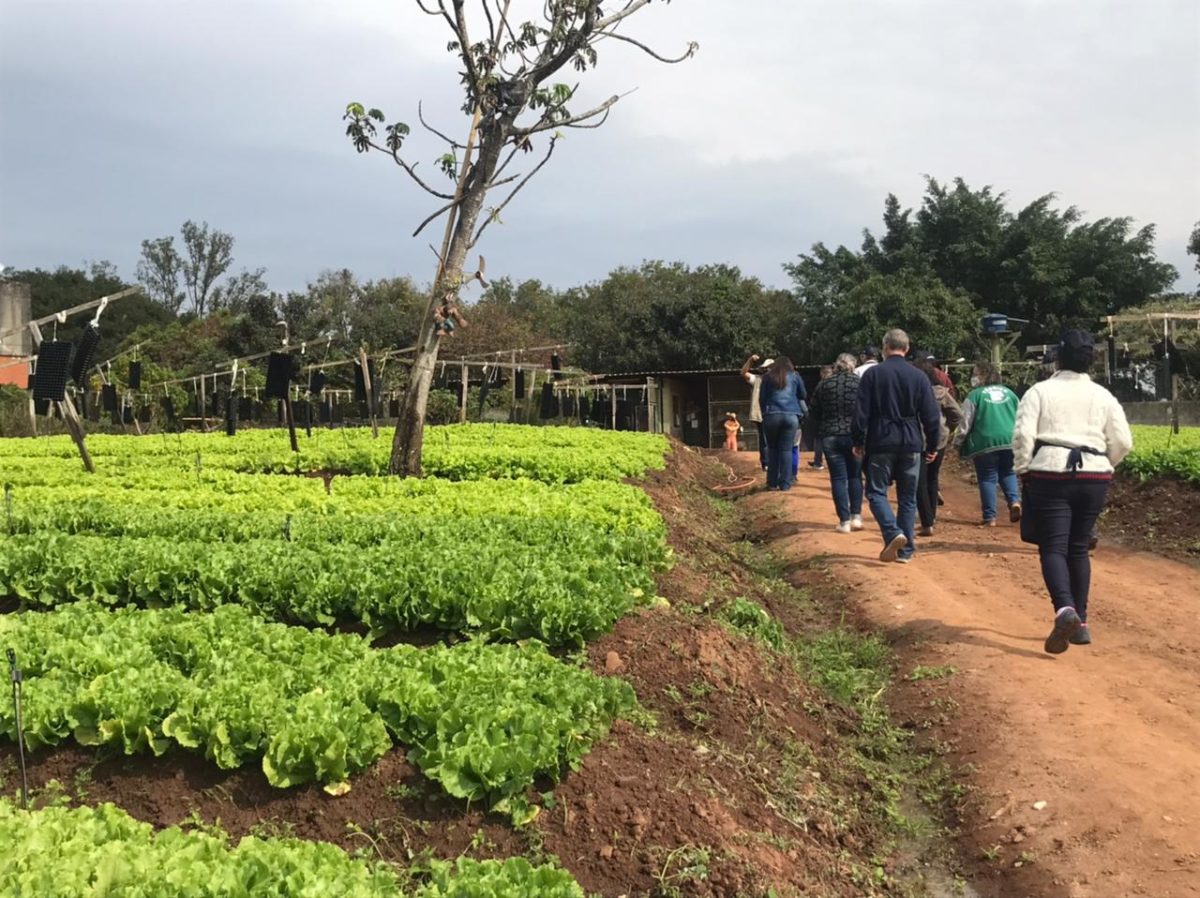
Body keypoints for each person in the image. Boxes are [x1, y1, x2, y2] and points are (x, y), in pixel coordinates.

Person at [1013, 330, 1133, 653]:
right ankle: (1080, 623)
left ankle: (1064, 609)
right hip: (1095, 475)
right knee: (1079, 547)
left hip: (1051, 473)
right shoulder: (1103, 395)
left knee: (1053, 547)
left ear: (1058, 358)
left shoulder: (1039, 391)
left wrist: (1024, 469)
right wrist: (1105, 463)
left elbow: (1024, 436)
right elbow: (1123, 442)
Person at [852, 329, 940, 563]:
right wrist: (932, 446)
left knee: (876, 492)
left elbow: (860, 413)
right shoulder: (919, 377)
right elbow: (932, 416)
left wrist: (857, 441)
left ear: (884, 347)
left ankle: (892, 532)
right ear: (907, 349)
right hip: (912, 442)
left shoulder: (873, 375)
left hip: (881, 440)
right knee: (908, 498)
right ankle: (905, 551)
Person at [956, 362, 1021, 526]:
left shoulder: (975, 395)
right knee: (1008, 472)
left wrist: (957, 442)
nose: (973, 377)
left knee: (987, 478)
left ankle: (990, 517)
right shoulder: (1010, 393)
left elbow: (965, 422)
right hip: (1010, 440)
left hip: (985, 442)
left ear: (984, 375)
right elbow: (1021, 416)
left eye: (976, 373)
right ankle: (1014, 501)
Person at [809, 353, 863, 532]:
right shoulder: (859, 383)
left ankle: (844, 522)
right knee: (855, 476)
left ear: (836, 366)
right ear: (853, 366)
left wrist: (821, 428)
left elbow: (813, 411)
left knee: (838, 478)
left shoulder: (824, 384)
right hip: (854, 436)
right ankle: (856, 516)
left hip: (830, 435)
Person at [914, 355, 962, 536]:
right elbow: (957, 414)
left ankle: (927, 523)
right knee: (933, 478)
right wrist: (947, 429)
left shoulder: (915, 391)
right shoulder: (942, 392)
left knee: (920, 481)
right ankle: (931, 517)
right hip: (939, 440)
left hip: (919, 440)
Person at [759, 356, 808, 491]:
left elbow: (762, 398)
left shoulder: (767, 377)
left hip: (771, 415)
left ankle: (772, 483)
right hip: (791, 416)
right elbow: (803, 395)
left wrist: (765, 413)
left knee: (773, 449)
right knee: (786, 449)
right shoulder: (795, 376)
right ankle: (785, 484)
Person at [741, 354, 775, 472]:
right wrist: (750, 360)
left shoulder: (779, 381)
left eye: (771, 367)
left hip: (776, 414)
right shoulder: (758, 380)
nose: (769, 370)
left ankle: (775, 463)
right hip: (762, 414)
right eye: (767, 368)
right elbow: (743, 372)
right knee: (765, 439)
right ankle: (766, 463)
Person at [808, 365, 833, 469]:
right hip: (833, 417)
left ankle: (818, 462)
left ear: (822, 374)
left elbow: (814, 402)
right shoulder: (835, 384)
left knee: (819, 439)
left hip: (821, 417)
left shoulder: (820, 385)